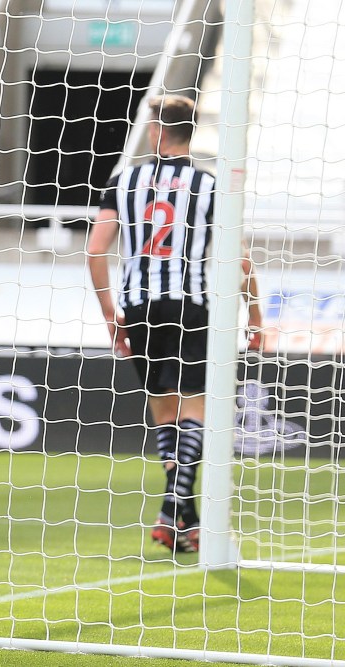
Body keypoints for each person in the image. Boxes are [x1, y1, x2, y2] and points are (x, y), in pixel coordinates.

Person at [87, 94, 262, 553]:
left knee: (165, 413)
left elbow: (95, 248)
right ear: (191, 130)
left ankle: (182, 518)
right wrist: (257, 314)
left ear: (155, 131)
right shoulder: (210, 186)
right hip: (190, 305)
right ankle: (174, 508)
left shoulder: (124, 181)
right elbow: (239, 260)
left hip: (140, 308)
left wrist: (111, 313)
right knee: (196, 410)